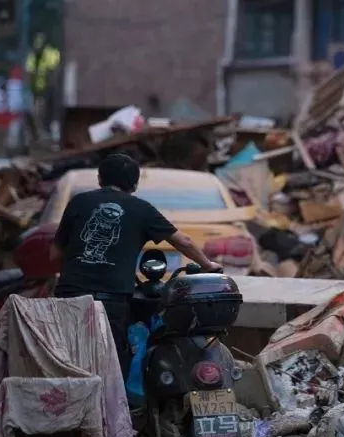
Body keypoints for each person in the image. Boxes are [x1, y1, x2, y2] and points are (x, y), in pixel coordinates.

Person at [50, 153, 220, 382]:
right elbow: (183, 242)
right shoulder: (142, 209)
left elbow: (55, 253)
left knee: (66, 363)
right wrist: (208, 265)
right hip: (111, 301)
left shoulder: (78, 202)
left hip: (69, 297)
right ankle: (109, 414)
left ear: (100, 179)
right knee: (110, 366)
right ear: (135, 184)